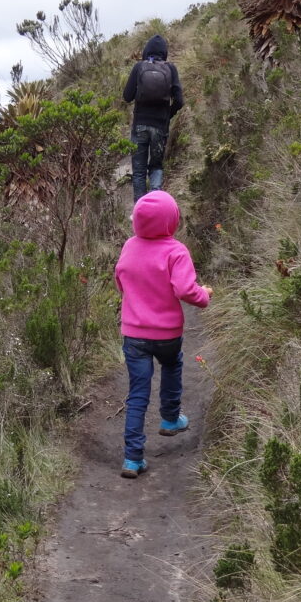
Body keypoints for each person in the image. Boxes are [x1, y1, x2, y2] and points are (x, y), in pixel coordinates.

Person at [114, 190, 211, 478]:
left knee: (137, 393)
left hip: (134, 335)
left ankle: (132, 459)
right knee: (171, 365)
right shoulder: (176, 250)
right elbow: (184, 289)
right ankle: (170, 419)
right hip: (167, 333)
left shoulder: (129, 246)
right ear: (172, 221)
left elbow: (121, 279)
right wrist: (203, 296)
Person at [122, 34, 184, 202]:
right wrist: (167, 116)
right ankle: (157, 207)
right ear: (164, 52)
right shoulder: (170, 69)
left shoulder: (139, 67)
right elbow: (179, 101)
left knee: (139, 171)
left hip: (140, 126)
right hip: (160, 127)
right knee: (156, 167)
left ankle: (140, 215)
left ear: (146, 51)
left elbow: (127, 96)